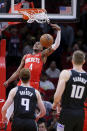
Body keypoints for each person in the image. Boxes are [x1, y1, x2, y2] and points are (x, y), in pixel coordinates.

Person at [4, 24, 61, 90]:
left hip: (34, 84)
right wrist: (8, 81)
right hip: (22, 83)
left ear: (42, 49)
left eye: (39, 44)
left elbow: (56, 45)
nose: (36, 44)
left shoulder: (42, 55)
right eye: (35, 43)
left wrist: (59, 31)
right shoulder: (26, 56)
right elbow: (18, 72)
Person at [52, 50, 87, 131]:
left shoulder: (66, 73)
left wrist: (54, 104)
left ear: (72, 60)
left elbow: (57, 96)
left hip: (66, 112)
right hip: (80, 114)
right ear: (84, 61)